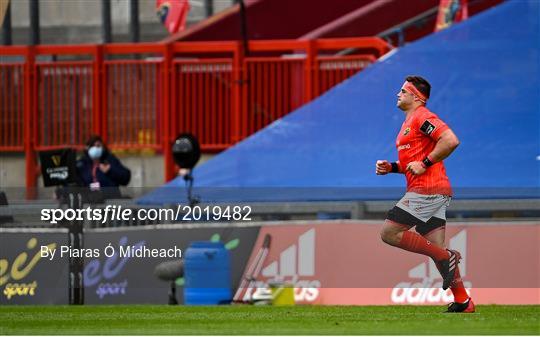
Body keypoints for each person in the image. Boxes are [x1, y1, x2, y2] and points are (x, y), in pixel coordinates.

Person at [376, 76, 474, 313]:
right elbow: (413, 163)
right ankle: (463, 302)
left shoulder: (422, 117)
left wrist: (426, 162)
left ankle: (447, 255)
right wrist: (392, 167)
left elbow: (450, 140)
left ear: (416, 96)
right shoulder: (408, 123)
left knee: (389, 233)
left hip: (427, 190)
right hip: (432, 190)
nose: (397, 94)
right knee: (437, 252)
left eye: (402, 91)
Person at [76, 135, 131, 200]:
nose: (95, 148)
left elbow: (125, 178)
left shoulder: (110, 160)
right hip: (89, 201)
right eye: (93, 146)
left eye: (98, 146)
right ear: (88, 148)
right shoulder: (82, 164)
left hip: (110, 200)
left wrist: (110, 170)